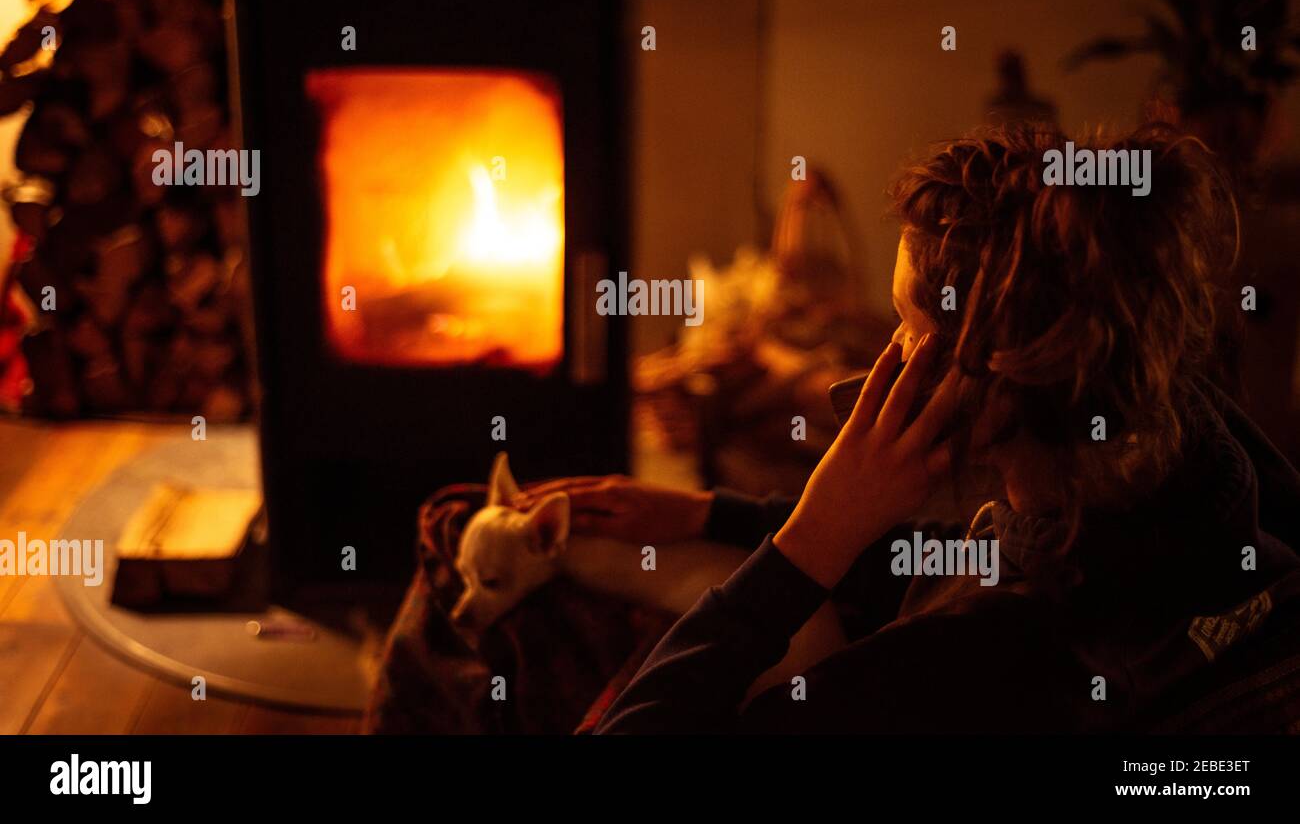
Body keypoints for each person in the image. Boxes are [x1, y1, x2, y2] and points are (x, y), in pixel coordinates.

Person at [526, 124, 1300, 732]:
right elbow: (970, 561)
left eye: (905, 325)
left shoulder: (955, 674)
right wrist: (715, 514)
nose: (880, 360)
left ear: (1002, 371)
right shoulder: (1197, 448)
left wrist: (807, 545)